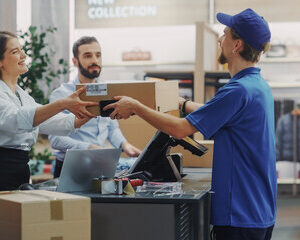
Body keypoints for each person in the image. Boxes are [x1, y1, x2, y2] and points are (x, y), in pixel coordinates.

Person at [105, 8, 276, 240]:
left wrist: (135, 107)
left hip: (240, 213)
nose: (219, 38)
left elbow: (180, 129)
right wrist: (181, 103)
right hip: (259, 209)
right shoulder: (257, 87)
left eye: (225, 33)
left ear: (237, 45)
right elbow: (216, 113)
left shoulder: (237, 90)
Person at [0, 31, 98, 191]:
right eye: (15, 52)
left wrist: (88, 113)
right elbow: (18, 120)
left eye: (21, 49)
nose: (24, 55)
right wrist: (62, 104)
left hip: (19, 170)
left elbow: (47, 120)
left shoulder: (21, 95)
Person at [49, 36, 141, 178]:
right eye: (88, 56)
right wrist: (89, 148)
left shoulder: (108, 92)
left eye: (98, 55)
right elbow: (56, 140)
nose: (95, 61)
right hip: (71, 168)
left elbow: (111, 127)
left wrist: (124, 145)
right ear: (75, 61)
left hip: (100, 166)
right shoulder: (61, 95)